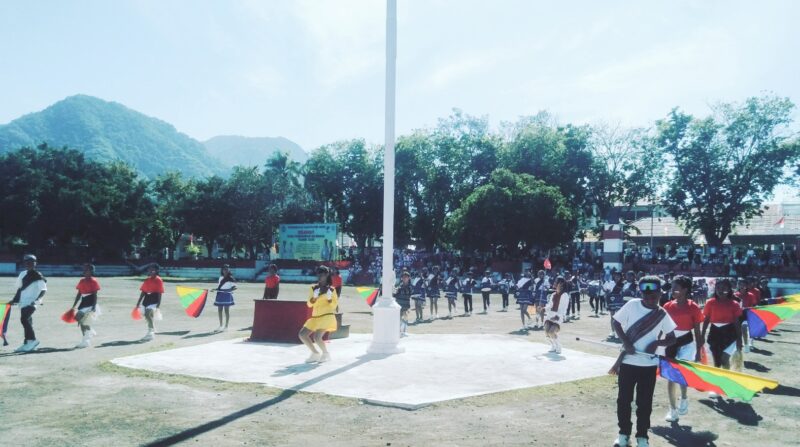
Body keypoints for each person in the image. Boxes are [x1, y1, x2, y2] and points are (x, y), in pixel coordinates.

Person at [612, 276, 677, 447]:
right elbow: (616, 322)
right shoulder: (633, 304)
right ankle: (623, 434)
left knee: (644, 403)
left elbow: (671, 338)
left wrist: (656, 343)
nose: (650, 298)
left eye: (654, 295)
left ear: (660, 293)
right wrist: (626, 342)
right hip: (628, 363)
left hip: (648, 366)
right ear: (641, 293)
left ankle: (642, 436)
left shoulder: (662, 314)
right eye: (646, 295)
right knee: (624, 400)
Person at [662, 275, 704, 422]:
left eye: (676, 288)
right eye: (672, 287)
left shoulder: (694, 307)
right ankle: (672, 410)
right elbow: (663, 328)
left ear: (685, 290)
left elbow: (697, 332)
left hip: (687, 343)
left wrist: (699, 352)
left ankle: (684, 397)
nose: (673, 290)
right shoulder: (667, 306)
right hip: (671, 343)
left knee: (681, 375)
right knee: (670, 377)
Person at [701, 278, 743, 398]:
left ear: (729, 289)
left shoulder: (734, 304)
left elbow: (737, 322)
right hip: (715, 333)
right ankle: (717, 387)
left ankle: (725, 384)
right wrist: (702, 335)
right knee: (716, 362)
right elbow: (706, 319)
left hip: (729, 333)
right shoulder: (710, 302)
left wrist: (739, 339)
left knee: (725, 359)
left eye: (724, 288)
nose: (721, 290)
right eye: (718, 288)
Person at [298, 266, 338, 363]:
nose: (319, 277)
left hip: (327, 316)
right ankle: (315, 353)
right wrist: (314, 298)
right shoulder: (313, 288)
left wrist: (329, 298)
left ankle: (325, 354)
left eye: (322, 275)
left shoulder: (332, 290)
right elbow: (309, 304)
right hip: (315, 317)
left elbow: (334, 306)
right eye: (318, 274)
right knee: (302, 334)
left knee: (317, 337)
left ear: (326, 275)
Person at [10, 254, 47, 353]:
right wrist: (14, 299)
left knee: (24, 319)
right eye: (26, 262)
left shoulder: (38, 275)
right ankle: (27, 342)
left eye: (31, 262)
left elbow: (43, 290)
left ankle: (33, 340)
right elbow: (20, 288)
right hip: (22, 302)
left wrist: (37, 300)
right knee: (27, 321)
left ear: (35, 263)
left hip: (32, 302)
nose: (28, 264)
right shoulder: (22, 274)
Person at [69, 263, 100, 349]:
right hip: (84, 302)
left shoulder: (94, 281)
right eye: (84, 270)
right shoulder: (81, 281)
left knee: (82, 321)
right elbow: (79, 293)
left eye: (86, 270)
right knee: (78, 318)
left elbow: (95, 295)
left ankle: (86, 341)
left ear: (91, 271)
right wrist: (74, 305)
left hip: (90, 303)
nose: (84, 271)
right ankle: (90, 331)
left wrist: (94, 306)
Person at [135, 264, 164, 342]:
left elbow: (159, 292)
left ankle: (150, 333)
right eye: (149, 270)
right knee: (147, 316)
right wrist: (138, 302)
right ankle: (153, 329)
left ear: (157, 271)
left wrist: (158, 304)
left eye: (152, 270)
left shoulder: (159, 280)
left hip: (154, 299)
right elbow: (143, 291)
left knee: (148, 314)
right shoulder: (147, 280)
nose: (150, 271)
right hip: (146, 299)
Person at [544, 276, 570, 354]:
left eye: (556, 282)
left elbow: (564, 308)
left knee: (552, 332)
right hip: (550, 315)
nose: (554, 283)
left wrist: (557, 316)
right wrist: (543, 309)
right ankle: (553, 345)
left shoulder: (565, 295)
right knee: (546, 331)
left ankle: (559, 346)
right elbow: (550, 305)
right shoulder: (553, 294)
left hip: (558, 316)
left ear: (561, 284)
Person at [212, 264, 237, 332]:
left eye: (226, 269)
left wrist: (228, 290)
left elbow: (235, 287)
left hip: (227, 295)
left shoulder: (231, 278)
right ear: (222, 270)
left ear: (229, 270)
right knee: (219, 310)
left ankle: (226, 326)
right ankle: (220, 326)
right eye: (224, 269)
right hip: (220, 294)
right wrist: (215, 289)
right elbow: (219, 287)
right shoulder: (220, 277)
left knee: (226, 311)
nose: (225, 270)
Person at [394, 271, 412, 337]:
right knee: (399, 319)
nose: (405, 278)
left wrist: (399, 290)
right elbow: (395, 295)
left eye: (406, 277)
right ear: (401, 278)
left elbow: (409, 293)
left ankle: (403, 332)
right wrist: (395, 291)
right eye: (403, 277)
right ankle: (398, 331)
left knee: (405, 318)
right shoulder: (399, 286)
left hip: (406, 305)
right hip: (399, 304)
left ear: (409, 278)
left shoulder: (410, 287)